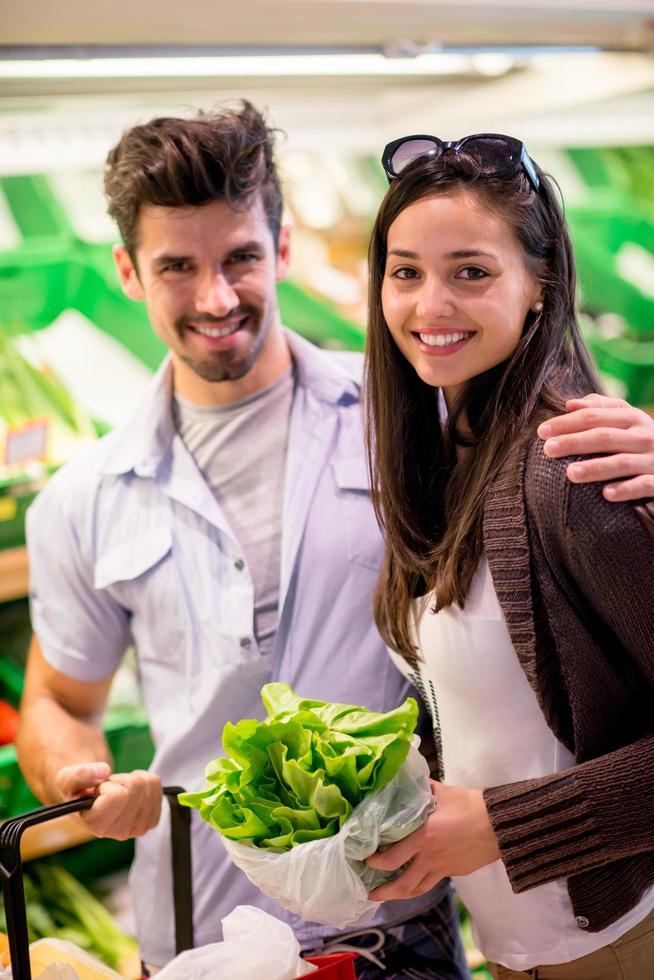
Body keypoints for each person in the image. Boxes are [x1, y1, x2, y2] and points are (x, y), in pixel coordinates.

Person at [14, 108, 653, 977]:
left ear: (280, 251)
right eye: (176, 267)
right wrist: (77, 781)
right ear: (128, 271)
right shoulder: (81, 501)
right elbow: (57, 700)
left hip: (409, 925)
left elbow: (547, 424)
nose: (215, 297)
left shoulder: (419, 412)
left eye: (240, 257)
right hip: (207, 929)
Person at [360, 133, 654, 979]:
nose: (430, 305)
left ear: (540, 288)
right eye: (405, 271)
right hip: (521, 948)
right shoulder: (445, 453)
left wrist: (498, 826)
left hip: (625, 938)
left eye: (471, 271)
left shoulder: (574, 469)